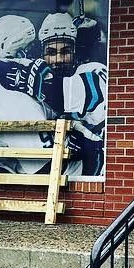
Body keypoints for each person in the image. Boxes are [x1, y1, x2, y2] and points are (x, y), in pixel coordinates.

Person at [0, 15, 55, 173]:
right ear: (19, 54)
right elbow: (43, 165)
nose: (35, 56)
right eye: (30, 48)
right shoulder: (16, 99)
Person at [39, 11, 108, 177]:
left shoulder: (93, 70)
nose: (58, 60)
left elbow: (61, 94)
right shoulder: (45, 79)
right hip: (65, 170)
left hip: (99, 170)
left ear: (75, 51)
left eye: (65, 51)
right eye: (51, 52)